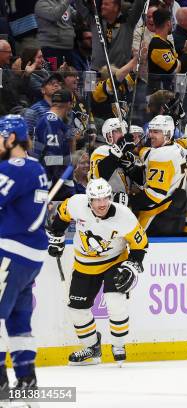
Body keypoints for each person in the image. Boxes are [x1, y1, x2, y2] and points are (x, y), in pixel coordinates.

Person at [47, 178, 148, 365]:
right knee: (77, 309)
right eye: (96, 199)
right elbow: (62, 215)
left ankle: (118, 345)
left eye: (105, 198)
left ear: (110, 197)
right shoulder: (76, 203)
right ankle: (92, 348)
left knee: (114, 302)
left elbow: (140, 244)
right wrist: (57, 236)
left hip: (114, 262)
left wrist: (132, 265)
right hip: (84, 264)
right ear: (89, 200)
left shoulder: (124, 216)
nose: (102, 204)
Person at [0, 115, 50, 389]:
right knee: (19, 319)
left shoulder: (14, 168)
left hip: (10, 251)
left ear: (10, 139)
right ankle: (26, 377)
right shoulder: (33, 166)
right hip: (30, 256)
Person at [129, 115, 187, 236]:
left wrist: (128, 202)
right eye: (150, 131)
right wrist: (135, 149)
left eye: (156, 132)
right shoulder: (176, 146)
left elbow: (155, 195)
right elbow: (148, 152)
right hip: (175, 212)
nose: (150, 135)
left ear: (167, 134)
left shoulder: (162, 157)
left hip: (159, 216)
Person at [32, 89, 76, 201]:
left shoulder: (53, 121)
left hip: (53, 181)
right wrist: (70, 160)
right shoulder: (51, 122)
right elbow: (51, 159)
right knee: (43, 215)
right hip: (50, 183)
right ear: (69, 104)